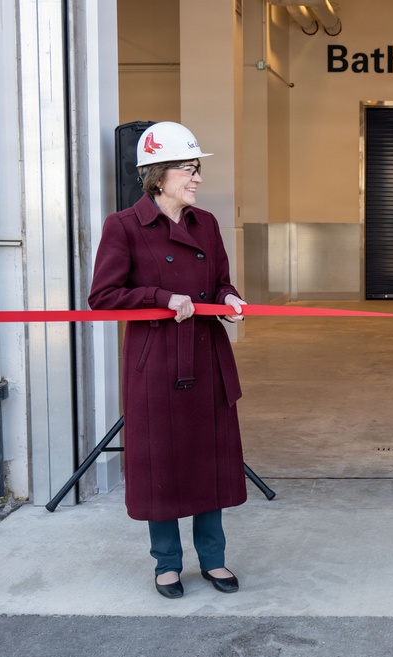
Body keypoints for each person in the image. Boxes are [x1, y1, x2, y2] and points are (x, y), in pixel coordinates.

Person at [88, 121, 248, 599]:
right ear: (158, 175)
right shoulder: (123, 226)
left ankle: (214, 561)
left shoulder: (207, 224)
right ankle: (167, 564)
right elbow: (103, 296)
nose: (197, 178)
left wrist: (231, 299)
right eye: (188, 169)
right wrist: (162, 296)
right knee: (161, 466)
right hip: (156, 363)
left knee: (210, 462)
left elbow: (220, 281)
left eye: (197, 170)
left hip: (206, 359)